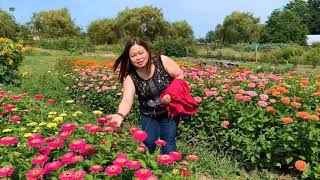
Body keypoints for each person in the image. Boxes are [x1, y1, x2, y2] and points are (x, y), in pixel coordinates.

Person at [108, 37, 184, 154]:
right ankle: (150, 170)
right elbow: (127, 100)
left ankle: (168, 170)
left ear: (147, 51)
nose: (138, 58)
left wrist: (172, 93)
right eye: (133, 55)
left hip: (169, 112)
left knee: (168, 143)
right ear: (129, 58)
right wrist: (120, 115)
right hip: (148, 114)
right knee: (148, 144)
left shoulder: (162, 61)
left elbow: (179, 75)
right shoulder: (130, 77)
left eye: (141, 53)